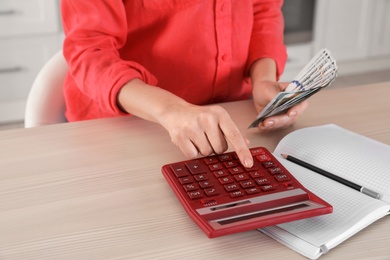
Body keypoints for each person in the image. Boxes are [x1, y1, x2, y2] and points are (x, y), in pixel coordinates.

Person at [60, 0, 308, 168]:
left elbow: (262, 8)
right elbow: (89, 51)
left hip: (234, 116)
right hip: (127, 129)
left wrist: (263, 80)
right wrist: (170, 110)